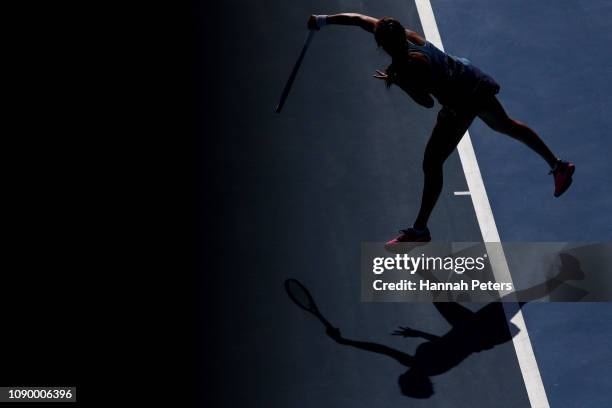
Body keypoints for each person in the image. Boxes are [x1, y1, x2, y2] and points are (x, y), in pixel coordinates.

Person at [307, 14, 575, 247]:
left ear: (382, 44)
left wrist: (398, 81)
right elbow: (356, 19)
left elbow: (425, 103)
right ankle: (558, 165)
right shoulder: (405, 35)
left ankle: (420, 231)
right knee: (505, 125)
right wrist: (323, 20)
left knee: (432, 162)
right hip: (473, 79)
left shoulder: (411, 67)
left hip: (461, 102)